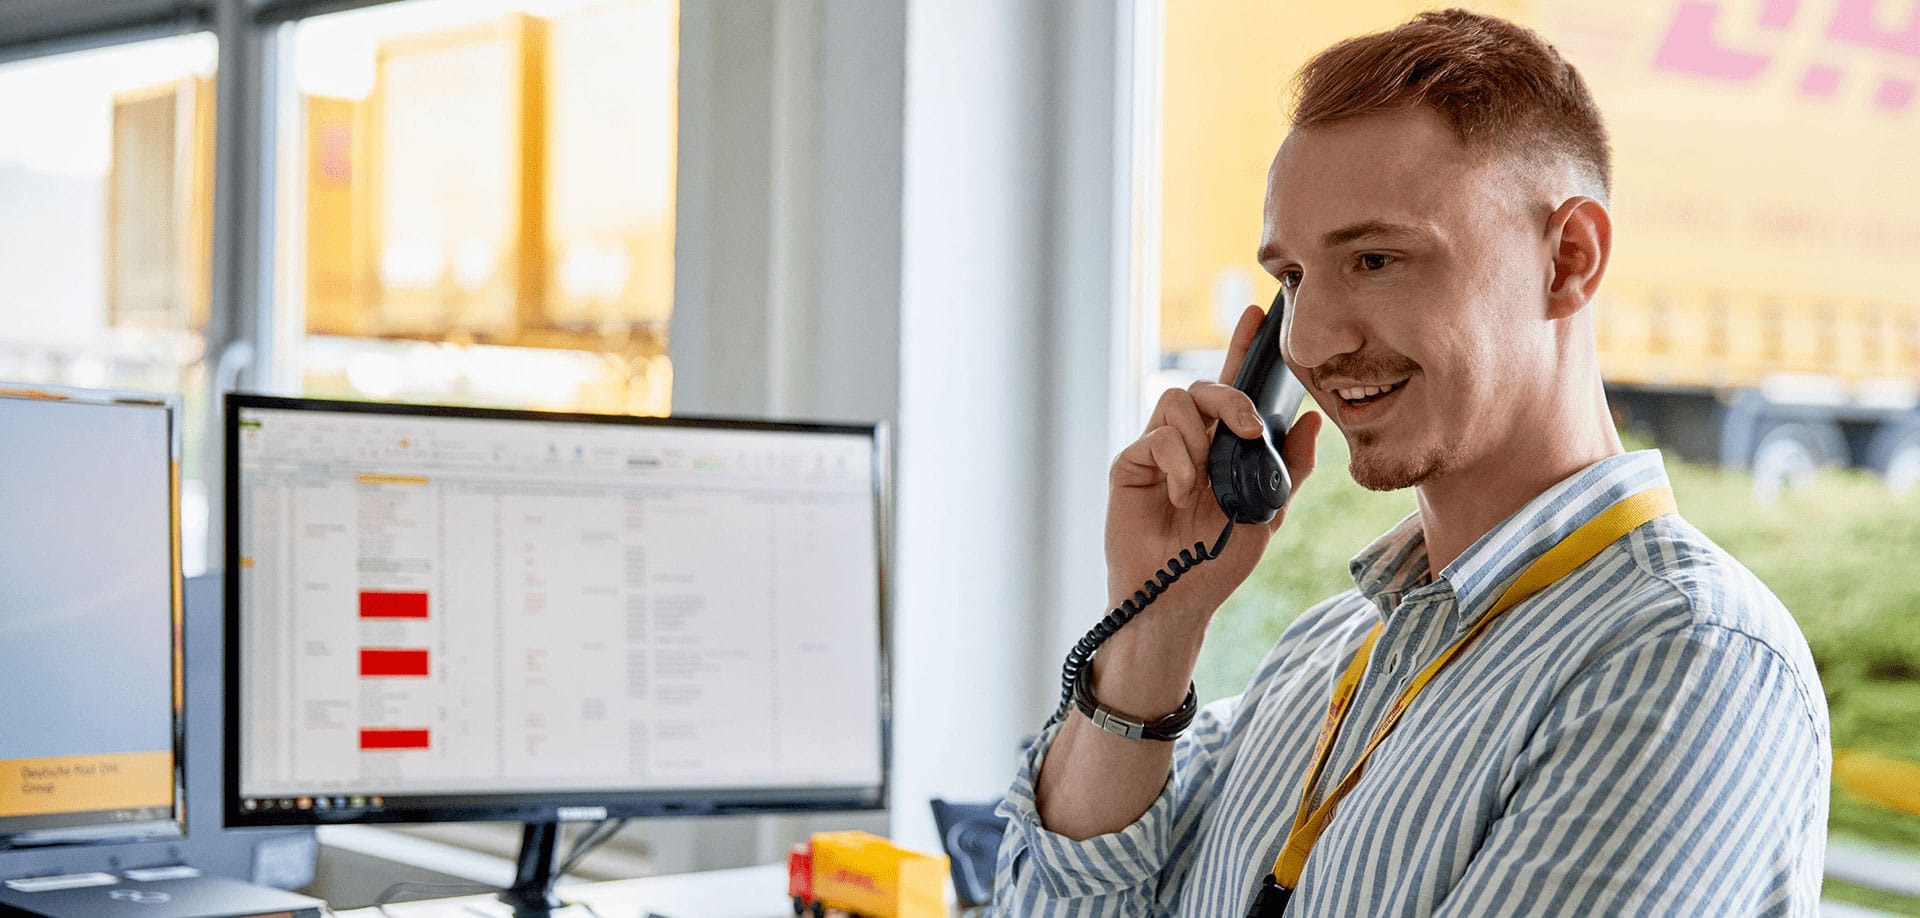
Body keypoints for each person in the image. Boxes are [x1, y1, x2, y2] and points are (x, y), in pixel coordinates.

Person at [994, 9, 1829, 916]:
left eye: (1377, 259)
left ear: (1569, 260)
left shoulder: (1683, 661)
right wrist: (1156, 620)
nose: (1309, 343)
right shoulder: (1325, 654)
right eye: (1294, 280)